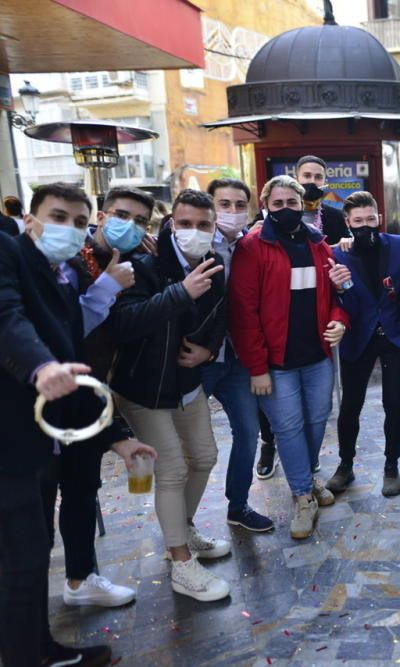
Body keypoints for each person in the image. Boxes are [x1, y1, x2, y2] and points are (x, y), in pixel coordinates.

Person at [0, 183, 159, 667]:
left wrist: (119, 440)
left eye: (75, 220)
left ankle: (33, 648)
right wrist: (39, 367)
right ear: (30, 220)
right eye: (56, 216)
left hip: (44, 439)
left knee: (28, 555)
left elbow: (75, 361)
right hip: (10, 438)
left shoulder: (65, 273)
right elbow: (7, 318)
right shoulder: (10, 254)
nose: (66, 228)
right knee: (23, 556)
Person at [110, 189, 233, 601]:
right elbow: (125, 324)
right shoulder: (144, 266)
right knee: (174, 469)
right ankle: (180, 562)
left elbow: (220, 317)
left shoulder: (214, 268)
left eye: (203, 225)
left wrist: (209, 349)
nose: (193, 233)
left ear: (214, 228)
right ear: (170, 225)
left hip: (187, 383)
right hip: (144, 388)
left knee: (205, 456)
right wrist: (180, 291)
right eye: (184, 224)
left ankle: (185, 527)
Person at [229, 175, 349, 539]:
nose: (285, 209)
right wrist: (257, 367)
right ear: (265, 205)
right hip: (275, 363)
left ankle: (309, 476)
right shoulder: (252, 247)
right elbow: (243, 312)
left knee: (317, 420)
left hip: (316, 356)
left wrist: (339, 322)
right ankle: (301, 495)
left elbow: (337, 297)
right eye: (277, 204)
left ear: (303, 205)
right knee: (288, 428)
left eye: (291, 203)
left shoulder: (317, 244)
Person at [52, 186, 149, 611]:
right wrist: (108, 286)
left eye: (142, 220)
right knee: (39, 498)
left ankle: (79, 578)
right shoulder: (71, 262)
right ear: (105, 215)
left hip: (91, 392)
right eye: (123, 215)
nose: (132, 225)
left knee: (80, 488)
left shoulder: (127, 263)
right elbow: (66, 332)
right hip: (52, 392)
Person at [198, 178, 275, 533]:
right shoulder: (193, 243)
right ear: (210, 206)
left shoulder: (248, 246)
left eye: (238, 205)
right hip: (198, 360)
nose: (231, 211)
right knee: (193, 449)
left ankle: (238, 505)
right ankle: (181, 525)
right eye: (223, 204)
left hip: (237, 359)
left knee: (247, 431)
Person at [325, 191, 400, 497]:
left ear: (379, 218)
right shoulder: (338, 254)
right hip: (357, 336)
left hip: (392, 335)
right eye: (358, 221)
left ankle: (392, 466)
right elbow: (337, 300)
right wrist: (337, 288)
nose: (365, 225)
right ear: (347, 222)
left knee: (393, 403)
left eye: (370, 219)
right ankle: (345, 465)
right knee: (350, 405)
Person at [295, 155, 349, 244]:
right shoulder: (282, 214)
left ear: (325, 182)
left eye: (318, 177)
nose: (312, 181)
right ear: (296, 180)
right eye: (307, 175)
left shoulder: (337, 217)